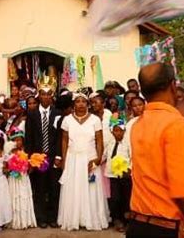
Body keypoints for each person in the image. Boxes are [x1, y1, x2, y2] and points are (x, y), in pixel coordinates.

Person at [127, 63, 184, 238]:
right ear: (173, 85)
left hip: (138, 225)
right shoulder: (180, 128)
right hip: (167, 228)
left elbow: (170, 113)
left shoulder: (139, 124)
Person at [58, 93, 109, 231]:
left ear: (88, 104)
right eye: (78, 101)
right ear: (74, 104)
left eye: (83, 101)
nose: (80, 104)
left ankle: (91, 219)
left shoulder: (95, 119)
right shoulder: (67, 120)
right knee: (74, 188)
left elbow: (99, 140)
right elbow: (64, 140)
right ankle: (74, 219)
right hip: (73, 158)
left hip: (90, 158)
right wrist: (64, 159)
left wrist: (98, 158)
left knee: (91, 189)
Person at [25, 86, 60, 228]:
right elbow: (29, 137)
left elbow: (59, 137)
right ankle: (41, 217)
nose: (46, 97)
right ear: (39, 96)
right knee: (39, 188)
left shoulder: (57, 113)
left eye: (48, 94)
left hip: (52, 156)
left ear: (52, 96)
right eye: (43, 94)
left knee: (53, 188)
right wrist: (30, 158)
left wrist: (58, 156)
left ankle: (52, 217)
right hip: (37, 157)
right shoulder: (32, 114)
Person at [105, 118, 132, 232]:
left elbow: (132, 157)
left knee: (126, 198)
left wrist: (130, 169)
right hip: (113, 175)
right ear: (112, 131)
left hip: (125, 176)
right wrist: (95, 162)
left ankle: (127, 221)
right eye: (116, 130)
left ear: (124, 131)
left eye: (120, 130)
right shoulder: (110, 143)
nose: (118, 133)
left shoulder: (127, 143)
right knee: (115, 198)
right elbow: (104, 156)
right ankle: (117, 219)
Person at [7, 127, 37, 229]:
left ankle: (25, 220)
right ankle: (14, 220)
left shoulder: (25, 151)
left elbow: (29, 164)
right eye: (14, 140)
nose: (17, 142)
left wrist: (30, 166)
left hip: (23, 178)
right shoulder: (9, 153)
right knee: (14, 196)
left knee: (23, 196)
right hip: (14, 178)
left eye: (19, 140)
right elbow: (6, 166)